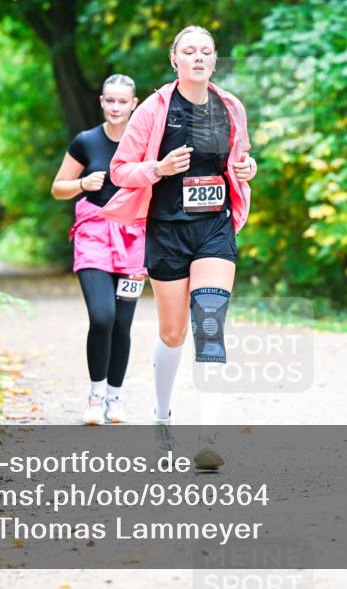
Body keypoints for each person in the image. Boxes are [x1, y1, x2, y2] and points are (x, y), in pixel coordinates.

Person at [99, 26, 258, 468]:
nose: (199, 57)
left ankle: (207, 438)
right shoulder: (154, 109)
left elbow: (241, 159)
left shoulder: (230, 107)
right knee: (173, 333)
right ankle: (162, 418)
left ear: (214, 59)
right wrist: (159, 167)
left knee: (209, 325)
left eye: (206, 51)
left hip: (214, 229)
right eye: (189, 51)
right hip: (167, 229)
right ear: (175, 60)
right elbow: (120, 172)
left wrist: (247, 169)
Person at [52, 74, 145, 426]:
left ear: (134, 103)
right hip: (93, 236)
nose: (116, 107)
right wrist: (82, 183)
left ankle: (115, 399)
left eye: (123, 101)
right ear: (101, 102)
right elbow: (58, 188)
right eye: (110, 101)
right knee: (102, 316)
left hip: (135, 239)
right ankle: (95, 396)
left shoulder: (146, 143)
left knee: (123, 325)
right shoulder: (86, 142)